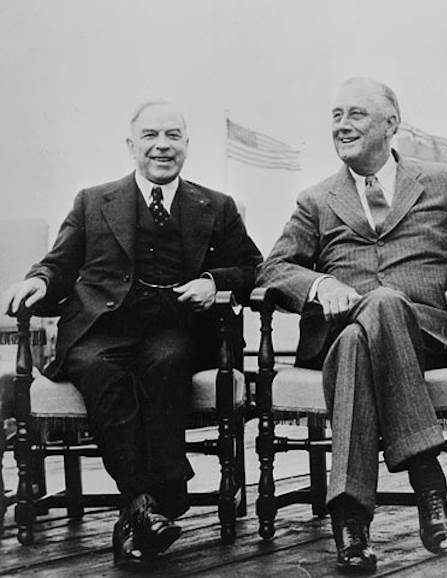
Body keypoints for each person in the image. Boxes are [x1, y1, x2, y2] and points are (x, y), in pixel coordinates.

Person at [257, 77, 447, 572]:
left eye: (355, 114)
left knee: (379, 308)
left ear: (391, 124)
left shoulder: (443, 181)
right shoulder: (316, 199)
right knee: (364, 329)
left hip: (430, 334)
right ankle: (427, 477)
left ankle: (351, 522)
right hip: (340, 335)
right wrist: (319, 286)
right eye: (336, 116)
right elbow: (273, 268)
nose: (342, 125)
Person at [1, 101, 263, 567]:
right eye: (150, 136)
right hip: (102, 326)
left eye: (173, 136)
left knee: (166, 361)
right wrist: (39, 281)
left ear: (186, 144)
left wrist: (214, 282)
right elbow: (60, 264)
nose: (161, 146)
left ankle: (140, 509)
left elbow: (252, 268)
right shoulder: (92, 200)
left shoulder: (215, 206)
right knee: (97, 368)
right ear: (131, 145)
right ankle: (151, 503)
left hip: (174, 324)